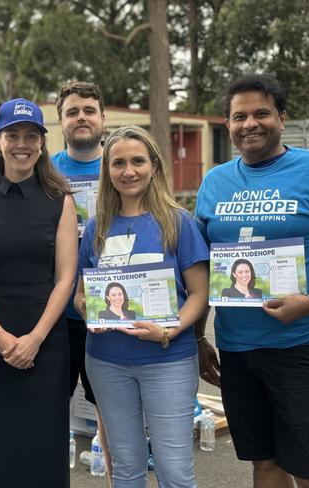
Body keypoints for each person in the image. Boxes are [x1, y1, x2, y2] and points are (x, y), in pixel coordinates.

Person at [195, 73, 309, 488]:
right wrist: (198, 338)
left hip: (300, 348)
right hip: (237, 351)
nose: (250, 123)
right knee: (263, 464)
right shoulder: (214, 182)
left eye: (261, 113)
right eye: (239, 116)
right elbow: (204, 268)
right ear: (228, 124)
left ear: (282, 118)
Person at [74, 125, 209, 487]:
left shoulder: (178, 222)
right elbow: (81, 293)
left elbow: (199, 293)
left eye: (137, 161)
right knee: (127, 467)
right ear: (108, 171)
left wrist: (169, 330)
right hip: (106, 360)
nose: (128, 171)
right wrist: (89, 306)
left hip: (168, 359)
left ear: (154, 166)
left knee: (174, 471)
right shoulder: (96, 227)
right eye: (118, 163)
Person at [0, 98, 78, 487]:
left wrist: (35, 339)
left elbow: (66, 277)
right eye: (12, 135)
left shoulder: (61, 202)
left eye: (31, 136)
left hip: (47, 341)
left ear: (42, 144)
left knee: (43, 446)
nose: (21, 144)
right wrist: (0, 337)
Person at [51, 81, 114, 479]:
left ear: (103, 118)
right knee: (50, 405)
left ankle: (114, 474)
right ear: (61, 122)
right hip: (55, 314)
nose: (82, 118)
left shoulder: (122, 163)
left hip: (109, 311)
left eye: (89, 110)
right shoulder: (45, 168)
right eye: (72, 112)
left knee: (109, 407)